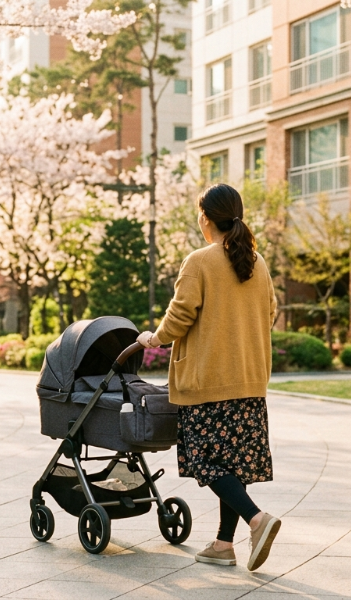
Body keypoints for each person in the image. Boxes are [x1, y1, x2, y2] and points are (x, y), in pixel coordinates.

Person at [137, 183, 279, 571]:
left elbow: (180, 316)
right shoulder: (257, 262)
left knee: (205, 462)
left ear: (205, 218)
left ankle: (257, 520)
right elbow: (270, 313)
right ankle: (223, 544)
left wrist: (153, 338)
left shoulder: (199, 261)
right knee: (232, 465)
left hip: (208, 384)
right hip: (250, 381)